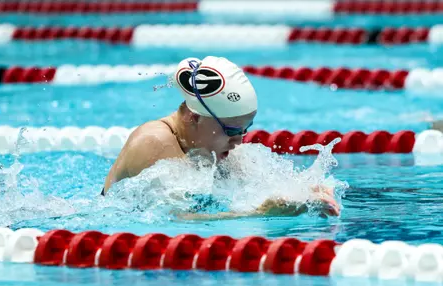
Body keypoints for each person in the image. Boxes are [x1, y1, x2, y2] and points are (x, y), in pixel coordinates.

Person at [102, 56, 340, 218]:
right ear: (195, 118)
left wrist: (304, 193)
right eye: (232, 131)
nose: (239, 141)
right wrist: (262, 214)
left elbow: (258, 187)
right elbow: (178, 220)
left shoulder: (210, 146)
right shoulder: (154, 143)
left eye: (245, 130)